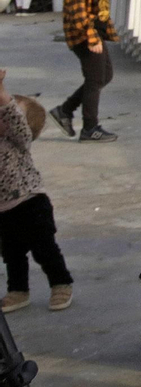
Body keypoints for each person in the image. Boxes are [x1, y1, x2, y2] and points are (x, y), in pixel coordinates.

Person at [0, 68, 72, 313]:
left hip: (31, 203)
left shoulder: (18, 140)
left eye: (9, 115)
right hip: (4, 209)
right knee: (12, 254)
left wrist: (1, 91)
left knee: (44, 249)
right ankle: (18, 290)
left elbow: (12, 117)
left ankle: (61, 283)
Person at [48, 0, 119, 143]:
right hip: (83, 35)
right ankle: (90, 127)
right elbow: (78, 13)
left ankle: (65, 110)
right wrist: (92, 37)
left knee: (104, 75)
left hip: (92, 32)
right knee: (96, 77)